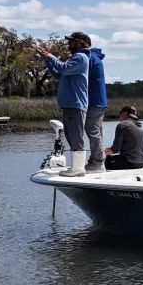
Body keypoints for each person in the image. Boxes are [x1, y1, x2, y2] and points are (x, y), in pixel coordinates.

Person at [39, 32, 90, 177]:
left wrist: (51, 56)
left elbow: (62, 68)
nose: (69, 43)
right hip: (69, 104)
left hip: (76, 103)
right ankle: (76, 167)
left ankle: (78, 169)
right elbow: (58, 74)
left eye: (72, 41)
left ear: (80, 42)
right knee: (70, 136)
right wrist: (48, 61)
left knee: (76, 137)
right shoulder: (75, 58)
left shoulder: (81, 57)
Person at [84, 43, 108, 173]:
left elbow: (81, 76)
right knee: (97, 130)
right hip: (99, 101)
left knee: (92, 129)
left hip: (94, 101)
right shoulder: (95, 57)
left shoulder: (90, 58)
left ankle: (97, 161)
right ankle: (98, 160)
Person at [104, 105, 143, 170]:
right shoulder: (139, 128)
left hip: (129, 162)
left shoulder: (122, 125)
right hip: (142, 162)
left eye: (120, 112)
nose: (119, 115)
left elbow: (115, 149)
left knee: (103, 161)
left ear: (125, 113)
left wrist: (102, 153)